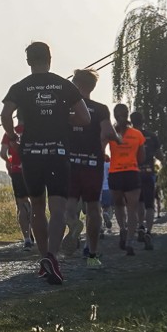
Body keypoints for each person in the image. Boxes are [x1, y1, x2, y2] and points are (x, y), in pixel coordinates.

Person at [1, 42, 91, 285]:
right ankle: (52, 255)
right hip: (58, 151)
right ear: (50, 59)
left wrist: (12, 137)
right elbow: (85, 117)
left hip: (31, 152)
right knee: (58, 207)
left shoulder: (20, 87)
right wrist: (63, 118)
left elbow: (6, 115)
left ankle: (44, 258)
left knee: (37, 207)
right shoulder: (64, 85)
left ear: (28, 61)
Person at [66, 69, 115, 267]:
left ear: (76, 85)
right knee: (94, 207)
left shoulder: (66, 108)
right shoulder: (101, 109)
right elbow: (107, 133)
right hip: (93, 163)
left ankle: (73, 225)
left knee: (68, 204)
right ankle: (92, 254)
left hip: (69, 162)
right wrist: (104, 147)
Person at [104, 104, 144, 256]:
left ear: (114, 115)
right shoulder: (137, 134)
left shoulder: (111, 134)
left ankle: (122, 228)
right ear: (127, 114)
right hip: (131, 173)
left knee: (119, 206)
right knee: (132, 209)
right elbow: (142, 157)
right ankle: (129, 241)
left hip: (115, 173)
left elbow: (102, 149)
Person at [0, 123, 34, 249]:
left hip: (17, 171)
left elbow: (3, 153)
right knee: (36, 204)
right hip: (33, 170)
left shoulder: (10, 133)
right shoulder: (35, 129)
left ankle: (27, 239)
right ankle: (38, 233)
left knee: (21, 204)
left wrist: (10, 162)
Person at [130, 111, 160, 249]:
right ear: (143, 121)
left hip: (134, 173)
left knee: (138, 203)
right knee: (150, 205)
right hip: (148, 172)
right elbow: (160, 155)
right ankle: (148, 231)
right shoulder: (152, 136)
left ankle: (140, 226)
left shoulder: (127, 136)